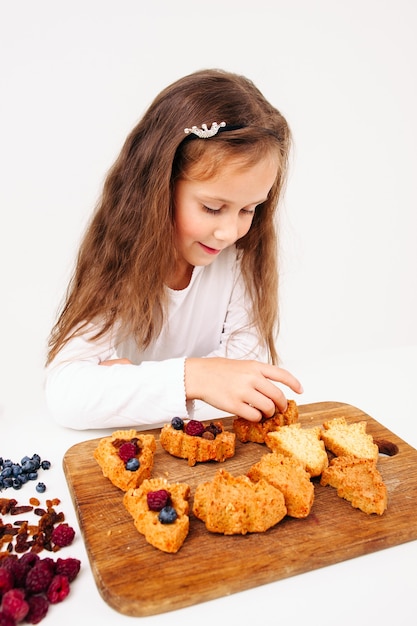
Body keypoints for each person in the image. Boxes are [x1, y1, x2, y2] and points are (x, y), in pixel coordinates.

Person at [45, 68, 303, 430]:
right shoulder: (122, 262)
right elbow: (66, 396)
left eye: (249, 209)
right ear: (159, 188)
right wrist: (195, 377)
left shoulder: (242, 256)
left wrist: (130, 384)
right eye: (212, 208)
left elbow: (245, 373)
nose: (230, 231)